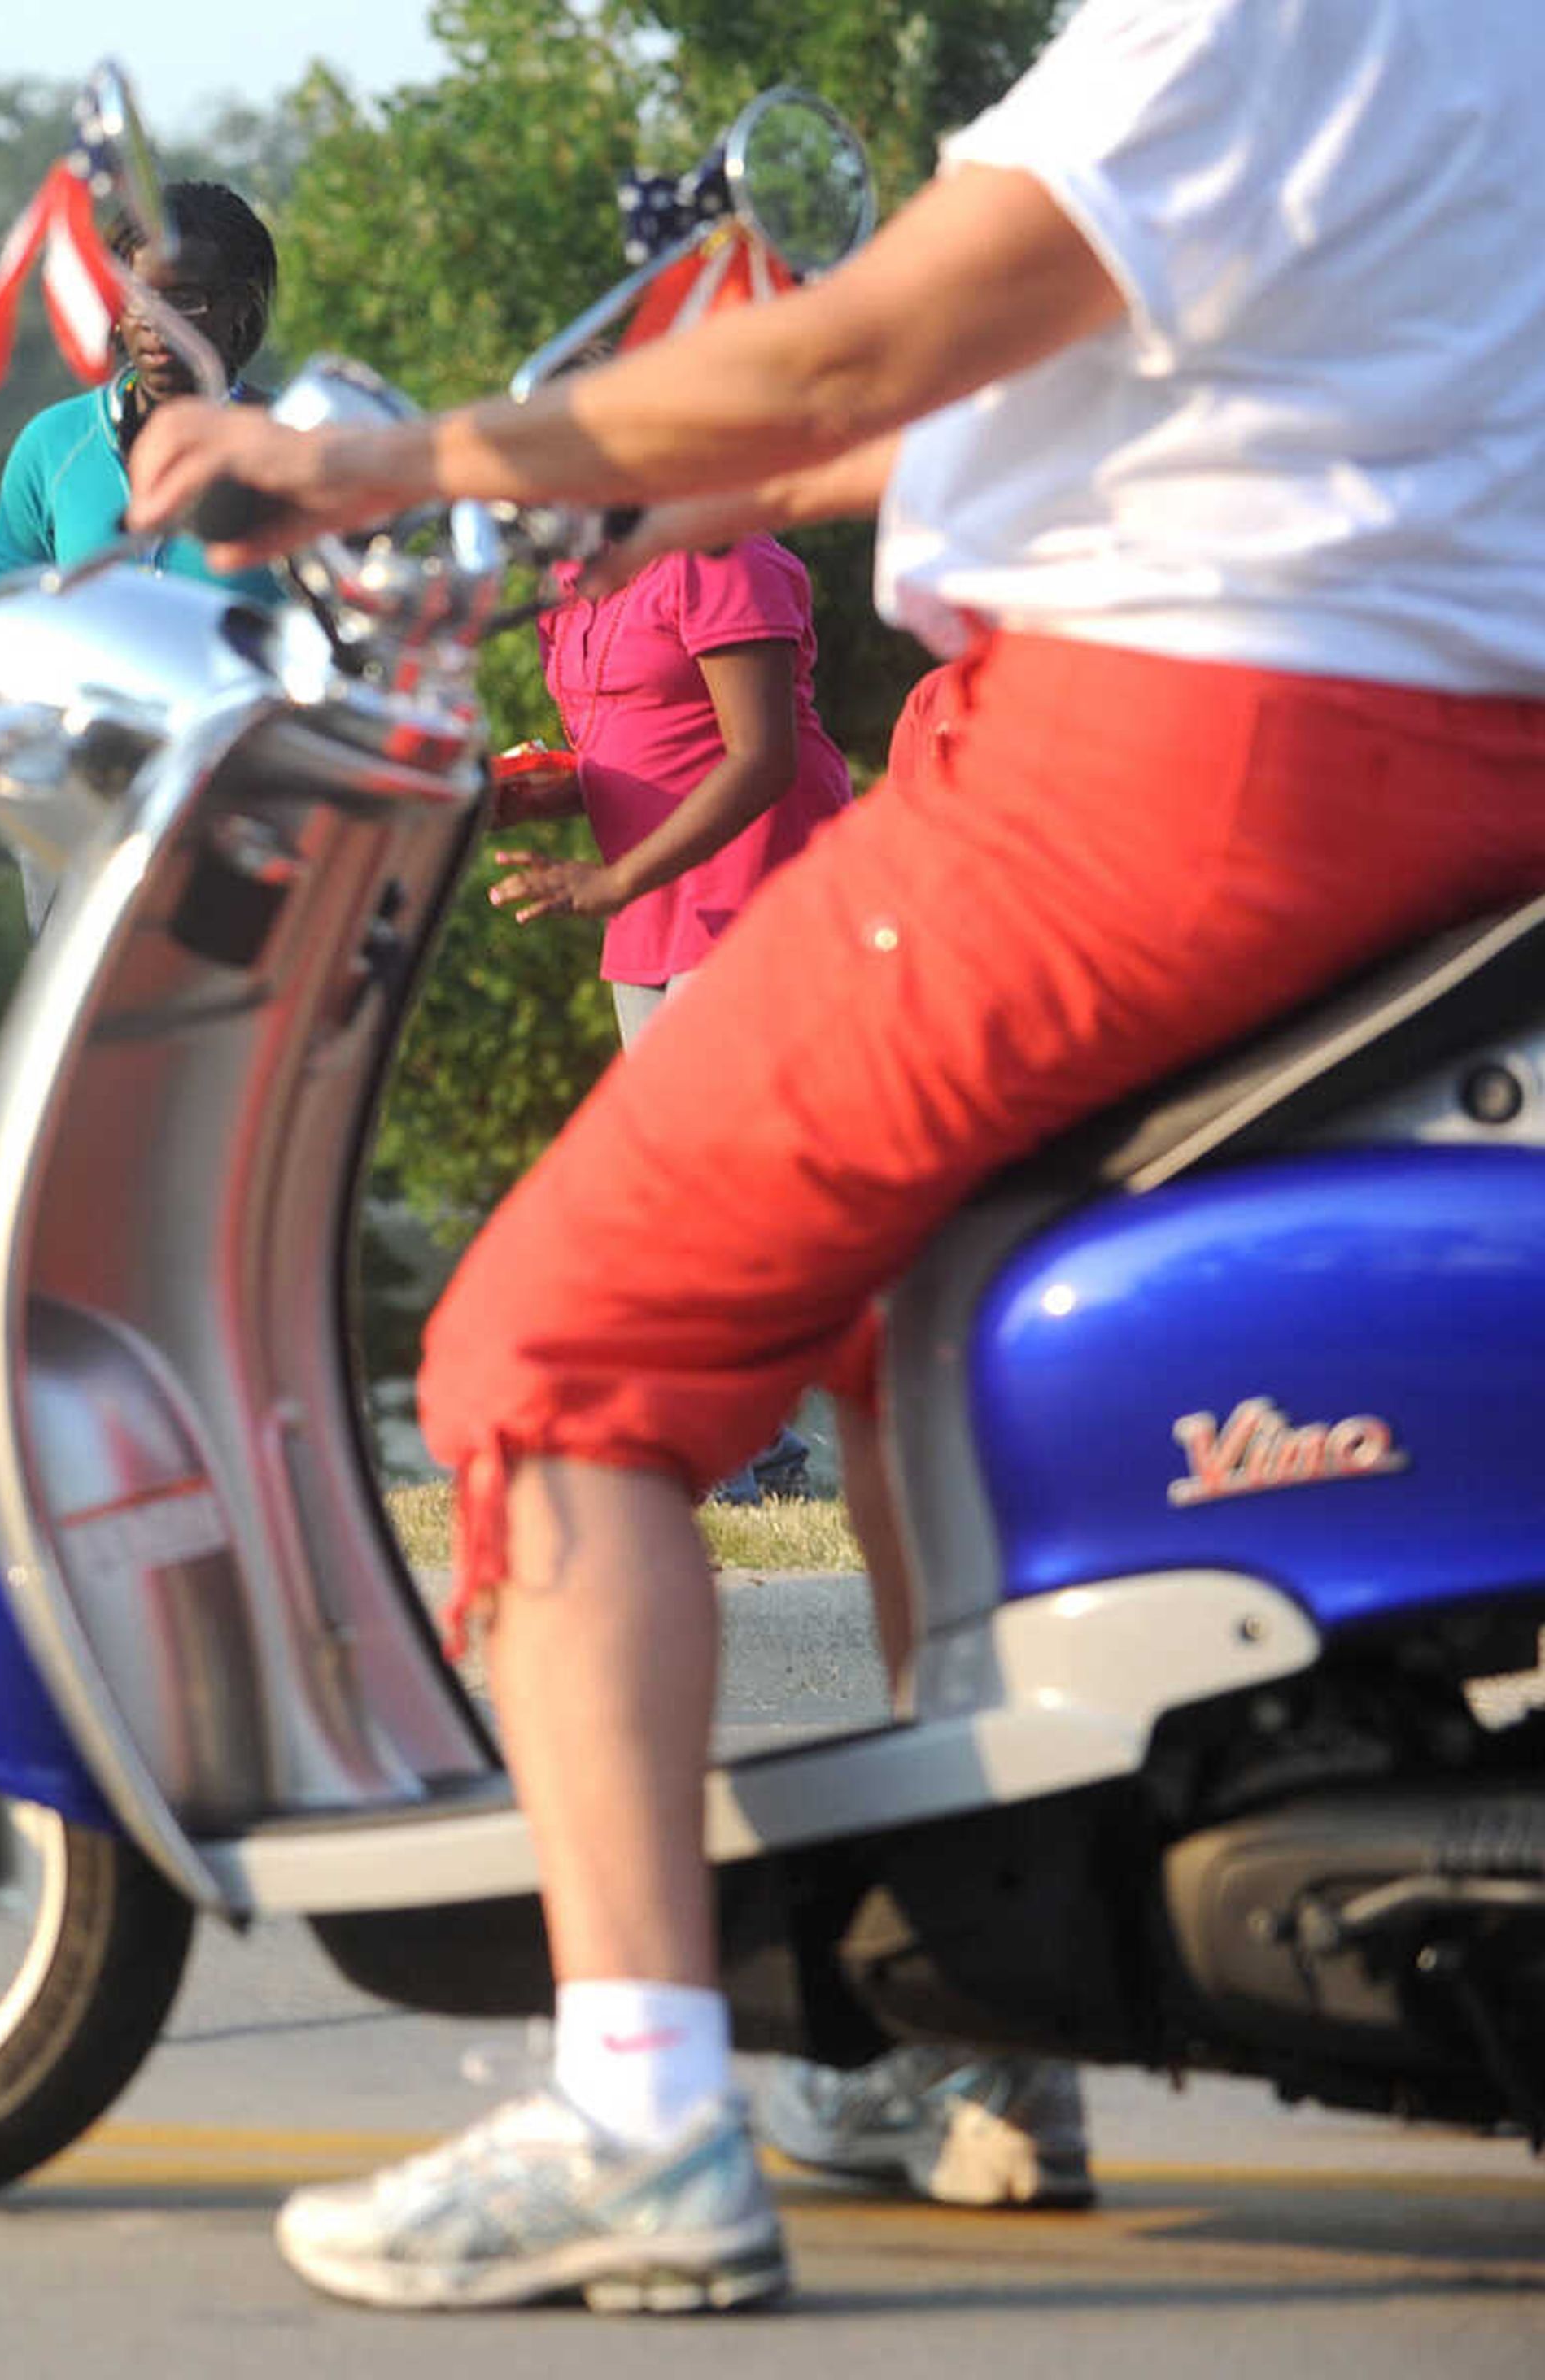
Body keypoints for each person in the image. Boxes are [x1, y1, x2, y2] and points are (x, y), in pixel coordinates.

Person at [131, 0, 1545, 2313]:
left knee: (550, 1350)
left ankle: (639, 2110)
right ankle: (957, 2026)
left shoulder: (1245, 17)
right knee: (921, 1296)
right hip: (1446, 769)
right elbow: (986, 410)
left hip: (1174, 771)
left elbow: (849, 355)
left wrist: (400, 468)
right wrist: (593, 494)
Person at [491, 536, 851, 1501]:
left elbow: (761, 758)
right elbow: (628, 749)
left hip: (758, 893)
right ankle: (753, 1447)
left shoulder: (720, 553)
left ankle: (761, 1445)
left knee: (723, 1187)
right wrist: (529, 796)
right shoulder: (568, 582)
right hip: (652, 913)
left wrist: (611, 878)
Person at [0, 178, 283, 598]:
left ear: (240, 310)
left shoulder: (290, 444)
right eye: (136, 298)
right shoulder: (54, 443)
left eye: (185, 301)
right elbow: (10, 602)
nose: (156, 323)